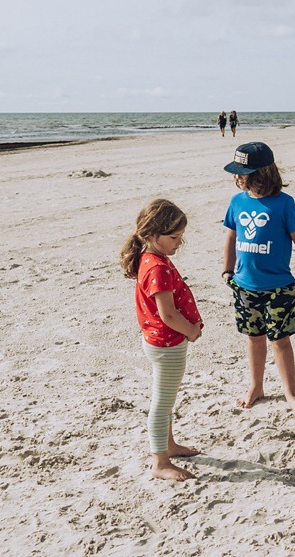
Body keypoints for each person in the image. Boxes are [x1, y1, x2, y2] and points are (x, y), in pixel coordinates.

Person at [221, 142, 295, 416]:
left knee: (281, 340)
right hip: (245, 285)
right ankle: (256, 386)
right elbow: (231, 235)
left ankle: (290, 392)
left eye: (243, 172)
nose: (237, 176)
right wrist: (227, 271)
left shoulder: (285, 204)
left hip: (279, 288)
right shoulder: (237, 202)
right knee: (254, 337)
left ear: (261, 173)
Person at [121, 199, 203, 481]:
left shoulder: (153, 259)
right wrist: (191, 330)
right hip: (167, 344)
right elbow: (168, 314)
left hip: (161, 342)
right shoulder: (156, 267)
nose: (180, 243)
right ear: (152, 236)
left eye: (181, 236)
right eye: (174, 237)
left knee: (166, 399)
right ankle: (159, 462)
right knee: (162, 402)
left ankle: (168, 445)